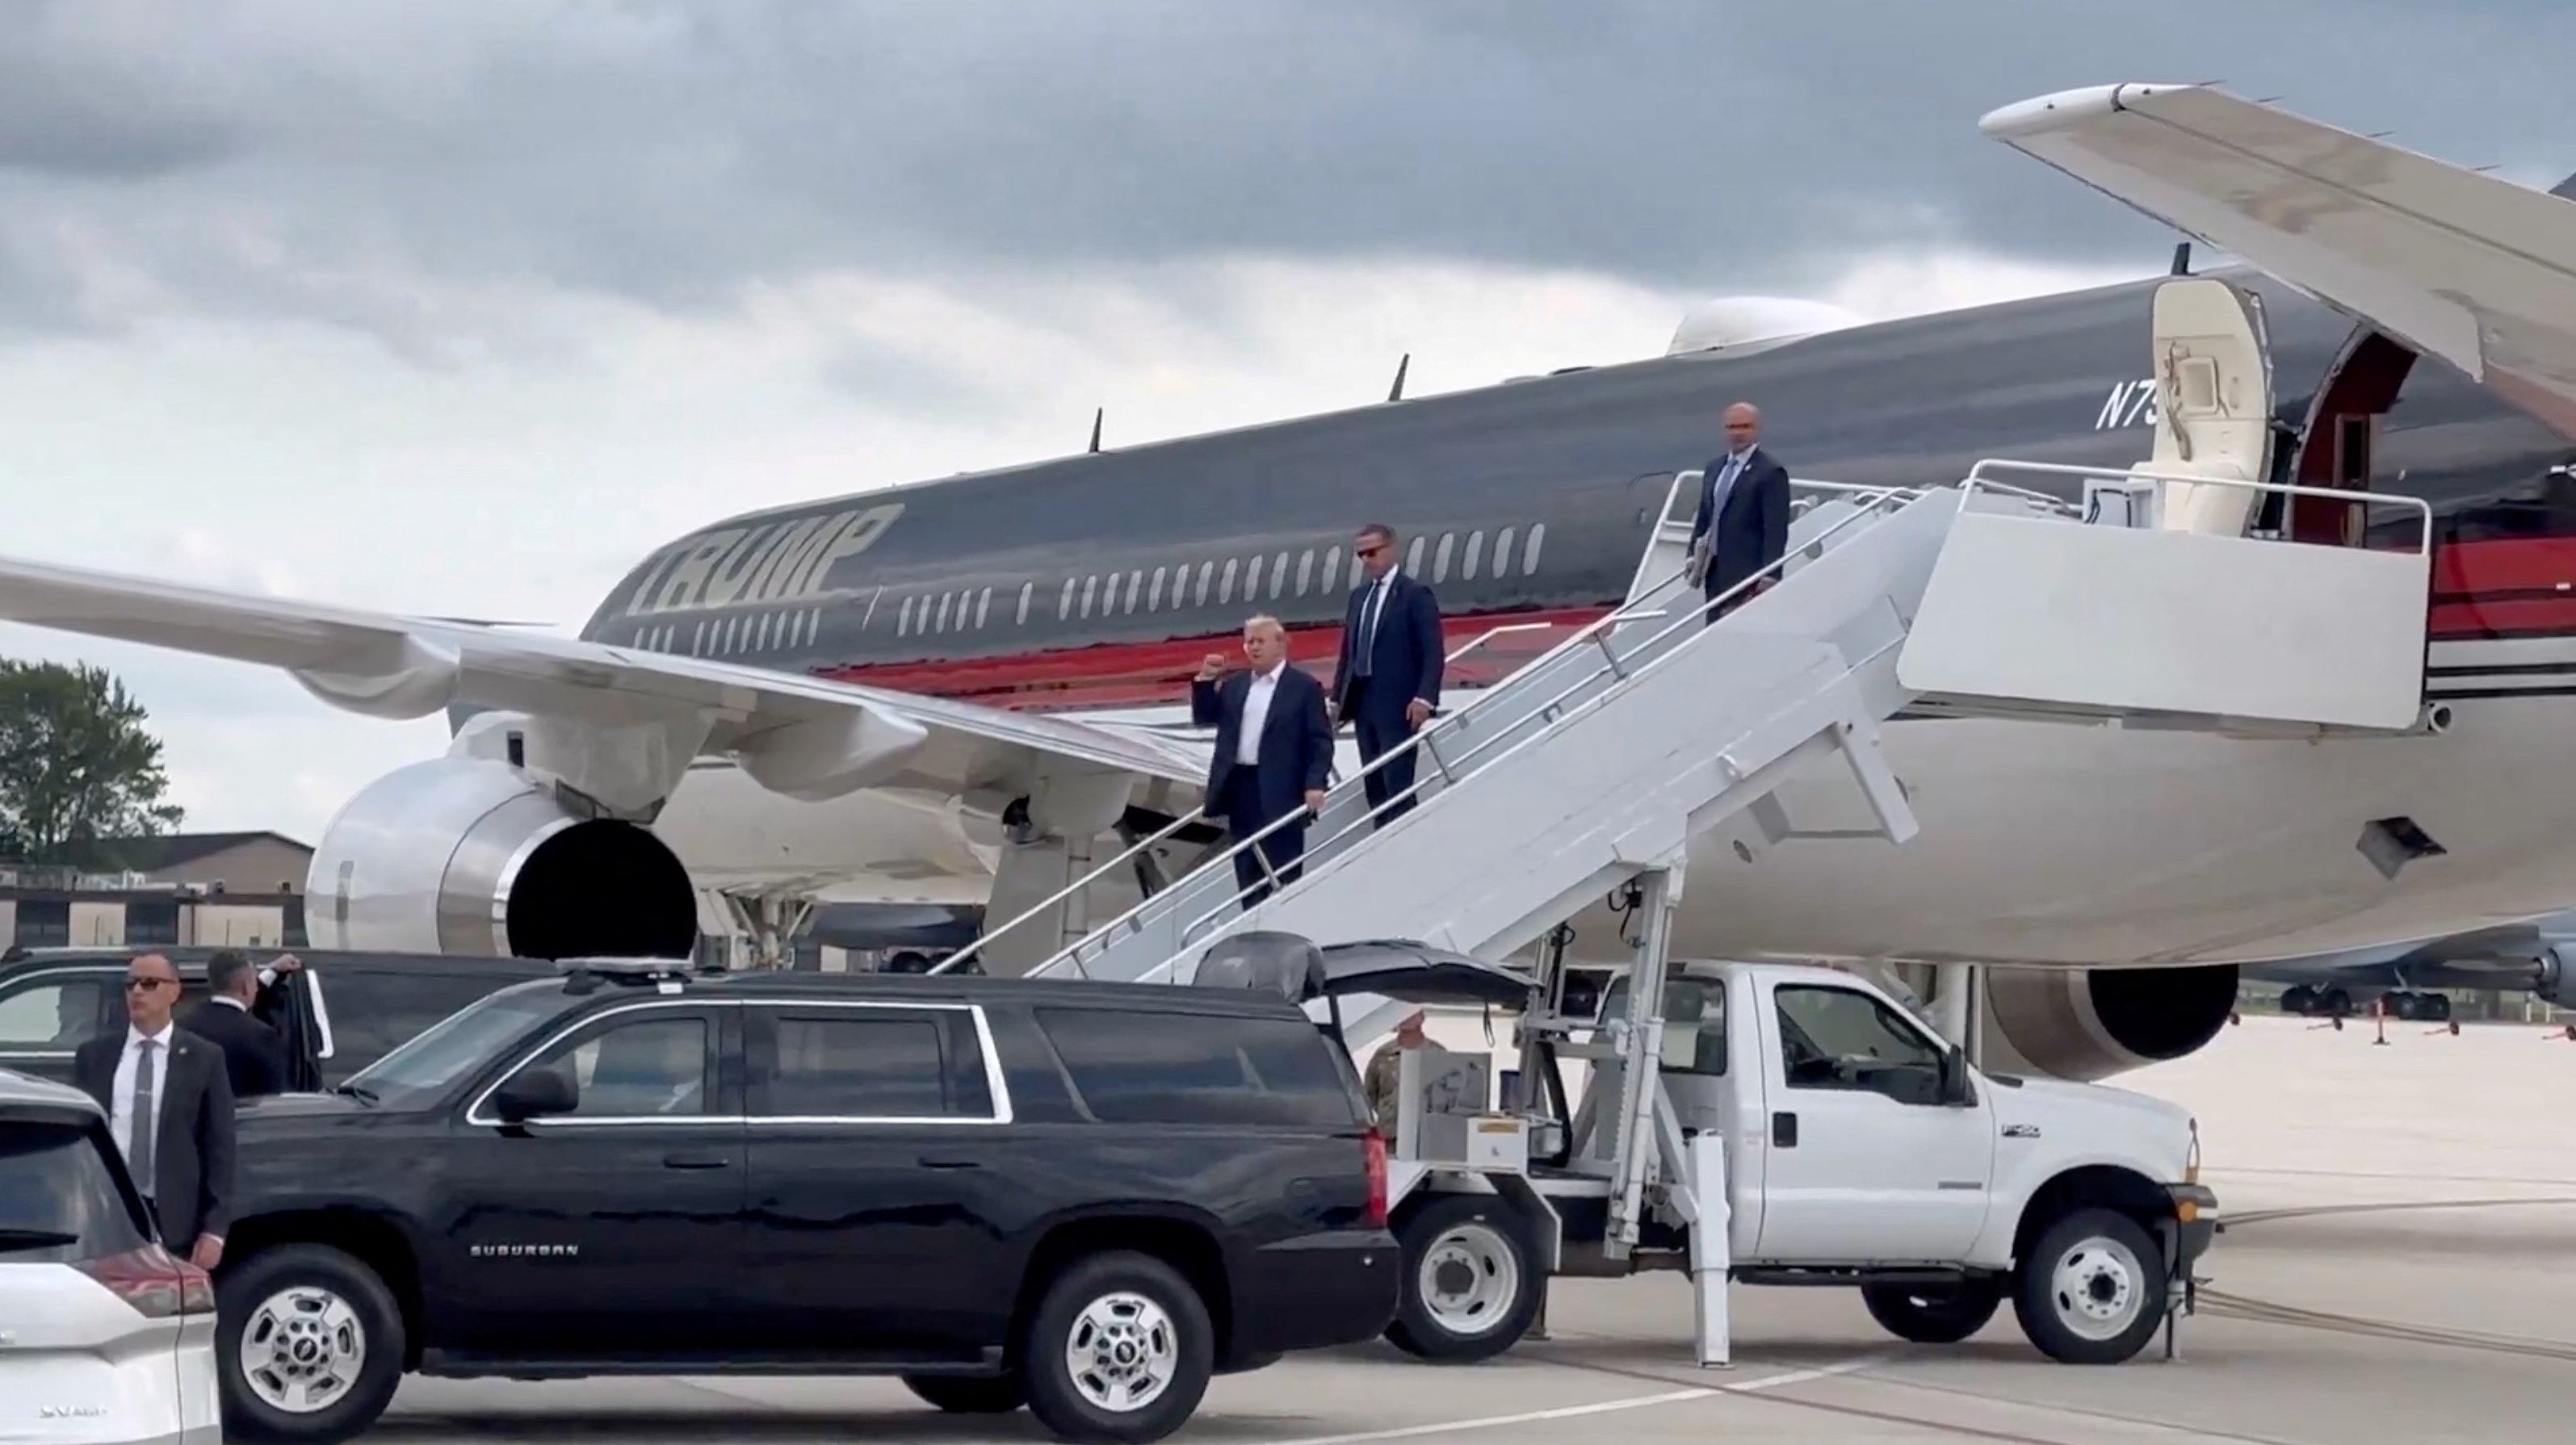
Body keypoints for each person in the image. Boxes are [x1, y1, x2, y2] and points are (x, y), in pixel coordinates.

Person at [72, 953, 236, 1269]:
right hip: (106, 1212)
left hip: (175, 1219)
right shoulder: (95, 1056)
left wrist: (214, 1230)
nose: (137, 992)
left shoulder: (204, 1058)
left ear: (174, 991)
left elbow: (220, 1150)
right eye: (131, 984)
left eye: (149, 984)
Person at [1193, 614, 1334, 907]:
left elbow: (1319, 741)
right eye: (1249, 642)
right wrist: (1205, 681)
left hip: (1282, 790)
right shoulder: (1236, 685)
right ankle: (1252, 920)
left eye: (1260, 641)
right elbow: (1205, 717)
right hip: (1241, 786)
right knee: (1247, 869)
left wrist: (1315, 782)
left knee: (1283, 867)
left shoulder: (1304, 688)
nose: (1253, 648)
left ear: (1280, 645)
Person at [1332, 523, 1443, 828]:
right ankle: (1382, 834)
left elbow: (1432, 650)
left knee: (1398, 780)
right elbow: (1349, 652)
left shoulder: (1414, 595)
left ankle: (1405, 836)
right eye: (1361, 555)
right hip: (1363, 701)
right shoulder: (1359, 598)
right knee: (1375, 781)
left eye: (1372, 552)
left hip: (1398, 703)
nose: (1367, 560)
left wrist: (1424, 696)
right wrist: (1337, 700)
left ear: (1391, 550)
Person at [1684, 401, 1793, 622]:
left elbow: (1775, 529)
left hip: (1748, 573)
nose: (1738, 433)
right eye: (1732, 427)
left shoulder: (1770, 472)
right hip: (1714, 570)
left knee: (1740, 631)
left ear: (1757, 429)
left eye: (1745, 427)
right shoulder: (1715, 468)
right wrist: (1692, 556)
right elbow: (1705, 517)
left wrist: (1771, 575)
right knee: (1714, 628)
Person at [182, 950, 300, 1099]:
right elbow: (272, 1099)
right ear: (246, 987)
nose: (257, 988)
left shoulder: (183, 1025)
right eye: (254, 983)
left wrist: (273, 970)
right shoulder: (260, 1036)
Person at [1363, 1009, 1429, 1133]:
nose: (1406, 1017)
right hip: (1391, 1134)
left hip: (1426, 1133)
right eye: (1403, 1011)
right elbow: (1370, 1093)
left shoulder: (1436, 1053)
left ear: (1422, 1017)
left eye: (1412, 1012)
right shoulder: (1383, 1054)